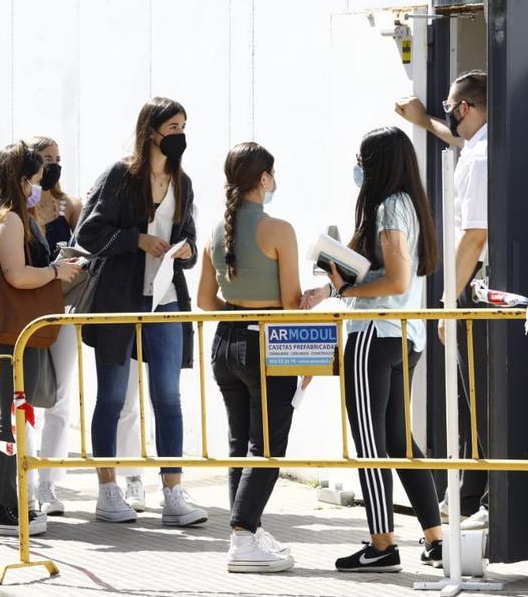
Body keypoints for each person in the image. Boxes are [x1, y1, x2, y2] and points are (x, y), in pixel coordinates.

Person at [303, 127, 444, 572]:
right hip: (405, 335)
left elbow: (395, 280)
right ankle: (435, 538)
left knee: (371, 443)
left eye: (361, 159)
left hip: (373, 336)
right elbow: (398, 277)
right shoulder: (410, 205)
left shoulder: (386, 207)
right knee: (401, 441)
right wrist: (334, 286)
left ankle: (382, 546)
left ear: (377, 163)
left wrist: (345, 288)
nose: (357, 167)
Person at [74, 96, 207, 526]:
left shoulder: (183, 183)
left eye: (184, 126)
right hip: (119, 299)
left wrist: (183, 249)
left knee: (168, 397)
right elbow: (89, 232)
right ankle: (107, 489)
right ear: (152, 132)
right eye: (173, 127)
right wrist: (137, 240)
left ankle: (172, 492)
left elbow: (189, 235)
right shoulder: (120, 175)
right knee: (111, 397)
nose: (181, 135)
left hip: (166, 298)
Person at [196, 142, 302, 573]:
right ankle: (243, 538)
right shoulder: (279, 229)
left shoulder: (214, 232)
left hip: (225, 342)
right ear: (263, 178)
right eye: (271, 175)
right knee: (268, 446)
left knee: (240, 444)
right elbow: (292, 302)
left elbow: (206, 301)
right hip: (268, 341)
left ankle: (247, 533)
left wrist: (240, 311)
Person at [0, 142, 83, 535]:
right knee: (11, 418)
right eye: (34, 180)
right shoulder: (11, 219)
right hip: (14, 332)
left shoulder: (0, 214)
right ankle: (4, 509)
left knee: (8, 415)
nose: (39, 186)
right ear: (20, 180)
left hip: (10, 329)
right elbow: (17, 275)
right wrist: (54, 272)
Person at [395, 70, 491, 529]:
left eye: (452, 105)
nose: (449, 112)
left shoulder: (480, 159)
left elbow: (474, 236)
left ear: (466, 108)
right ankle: (471, 496)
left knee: (480, 397)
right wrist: (424, 120)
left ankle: (482, 500)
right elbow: (457, 141)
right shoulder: (482, 147)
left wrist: (447, 301)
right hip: (479, 291)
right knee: (475, 397)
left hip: (475, 293)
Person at [25, 135, 82, 516]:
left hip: (63, 311)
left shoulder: (69, 205)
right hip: (27, 312)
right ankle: (25, 482)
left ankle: (48, 483)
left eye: (58, 159)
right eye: (46, 159)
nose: (53, 166)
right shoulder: (18, 208)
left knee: (60, 398)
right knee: (26, 398)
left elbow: (83, 252)